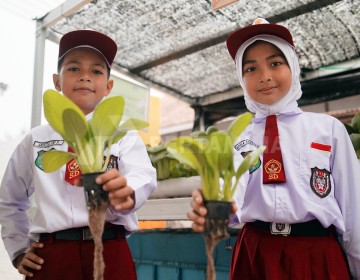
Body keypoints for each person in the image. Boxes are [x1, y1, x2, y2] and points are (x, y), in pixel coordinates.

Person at [188, 18, 360, 279]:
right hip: (256, 253)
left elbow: (353, 208)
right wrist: (213, 205)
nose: (264, 76)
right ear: (241, 77)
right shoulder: (238, 135)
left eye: (275, 63)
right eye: (250, 68)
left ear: (293, 65)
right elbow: (233, 188)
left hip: (316, 253)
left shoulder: (329, 129)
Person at [0, 30, 157, 279]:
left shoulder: (122, 134)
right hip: (51, 254)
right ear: (57, 81)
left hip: (111, 248)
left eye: (96, 71)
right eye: (73, 69)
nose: (85, 77)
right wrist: (18, 249)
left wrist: (128, 191)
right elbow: (9, 200)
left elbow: (144, 174)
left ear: (108, 86)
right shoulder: (35, 139)